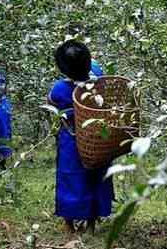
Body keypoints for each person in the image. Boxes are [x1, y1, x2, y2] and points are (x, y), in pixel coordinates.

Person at [48, 40, 113, 234]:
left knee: (71, 179)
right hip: (97, 142)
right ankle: (92, 223)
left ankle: (69, 223)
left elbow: (50, 101)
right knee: (96, 177)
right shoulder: (98, 81)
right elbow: (96, 68)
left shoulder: (60, 89)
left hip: (71, 143)